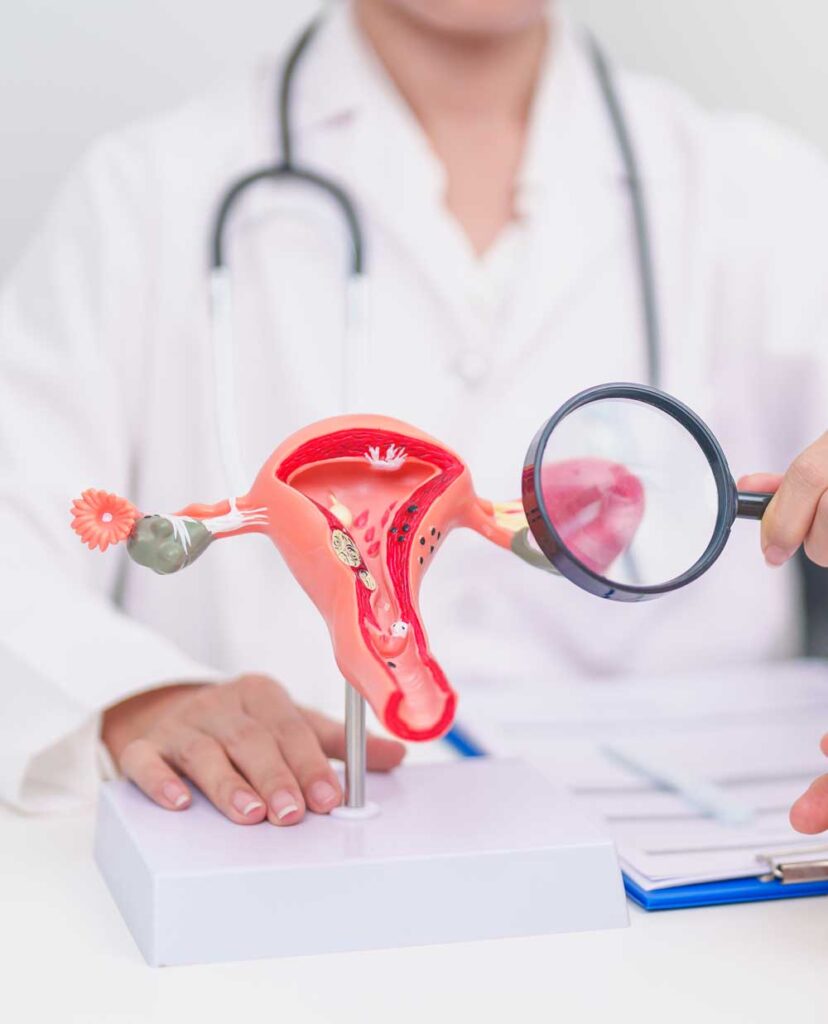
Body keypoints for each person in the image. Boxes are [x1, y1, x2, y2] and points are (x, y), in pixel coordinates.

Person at [2, 0, 828, 831]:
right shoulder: (146, 196)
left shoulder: (764, 195)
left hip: (700, 865)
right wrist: (137, 697)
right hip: (290, 851)